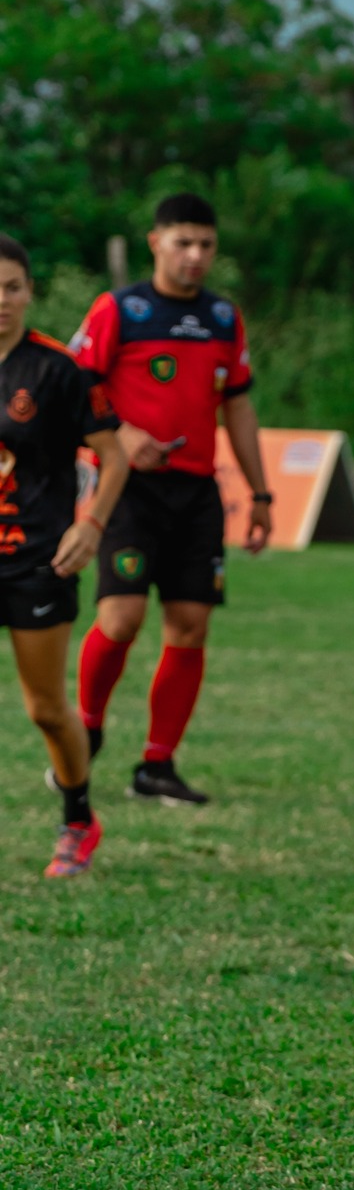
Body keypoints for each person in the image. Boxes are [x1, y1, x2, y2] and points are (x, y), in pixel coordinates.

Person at [69, 192, 273, 805]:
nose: (195, 256)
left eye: (206, 245)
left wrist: (260, 493)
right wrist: (123, 435)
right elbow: (76, 384)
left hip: (197, 494)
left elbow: (236, 404)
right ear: (155, 242)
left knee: (189, 627)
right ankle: (86, 732)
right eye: (183, 242)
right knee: (120, 618)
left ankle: (157, 766)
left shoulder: (221, 318)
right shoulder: (118, 310)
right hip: (126, 489)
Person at [0, 235, 128, 877]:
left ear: (29, 293)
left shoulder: (55, 369)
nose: (1, 301)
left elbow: (114, 455)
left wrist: (92, 525)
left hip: (35, 561)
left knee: (46, 706)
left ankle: (78, 817)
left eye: (12, 287)